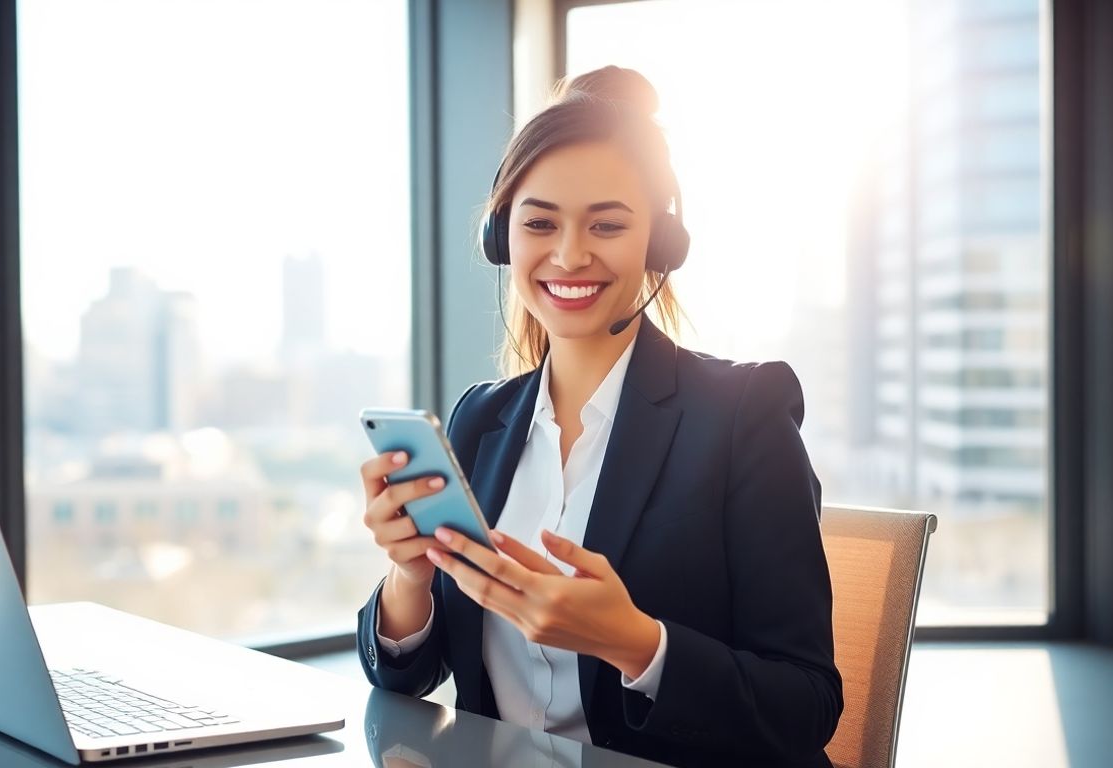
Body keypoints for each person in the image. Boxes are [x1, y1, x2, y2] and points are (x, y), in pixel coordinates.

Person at [355, 65, 842, 768]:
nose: (569, 255)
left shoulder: (744, 416)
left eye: (607, 224)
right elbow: (402, 674)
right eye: (540, 223)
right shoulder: (478, 420)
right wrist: (410, 576)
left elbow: (806, 707)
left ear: (658, 242)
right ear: (503, 239)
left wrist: (634, 642)